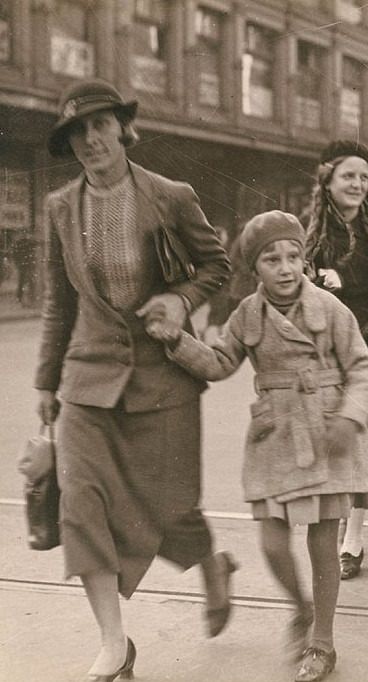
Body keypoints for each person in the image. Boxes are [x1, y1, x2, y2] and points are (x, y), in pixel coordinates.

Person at [33, 78, 233, 681]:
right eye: (78, 132)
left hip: (161, 376)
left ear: (122, 128)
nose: (91, 140)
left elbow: (216, 265)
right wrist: (45, 381)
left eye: (100, 126)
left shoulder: (171, 195)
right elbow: (58, 303)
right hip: (86, 380)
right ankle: (114, 645)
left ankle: (212, 565)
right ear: (70, 144)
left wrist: (178, 299)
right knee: (82, 506)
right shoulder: (60, 207)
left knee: (169, 508)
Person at [149, 210, 368, 682]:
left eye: (294, 256)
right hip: (275, 432)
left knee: (322, 542)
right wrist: (178, 340)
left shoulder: (331, 309)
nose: (286, 267)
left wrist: (351, 419)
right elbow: (219, 362)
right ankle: (301, 607)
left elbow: (361, 366)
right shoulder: (247, 314)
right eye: (272, 259)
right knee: (272, 541)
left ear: (305, 261)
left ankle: (322, 641)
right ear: (255, 269)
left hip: (329, 426)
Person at [301, 139, 368, 581]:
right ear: (327, 179)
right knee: (331, 442)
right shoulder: (310, 233)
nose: (358, 184)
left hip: (366, 346)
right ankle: (334, 529)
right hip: (322, 350)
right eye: (349, 176)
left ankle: (353, 542)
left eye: (364, 177)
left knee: (362, 440)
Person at [11, 234, 37, 306]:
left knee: (24, 282)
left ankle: (23, 298)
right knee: (25, 281)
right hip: (24, 265)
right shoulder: (23, 242)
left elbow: (14, 255)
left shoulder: (19, 243)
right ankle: (24, 298)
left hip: (24, 265)